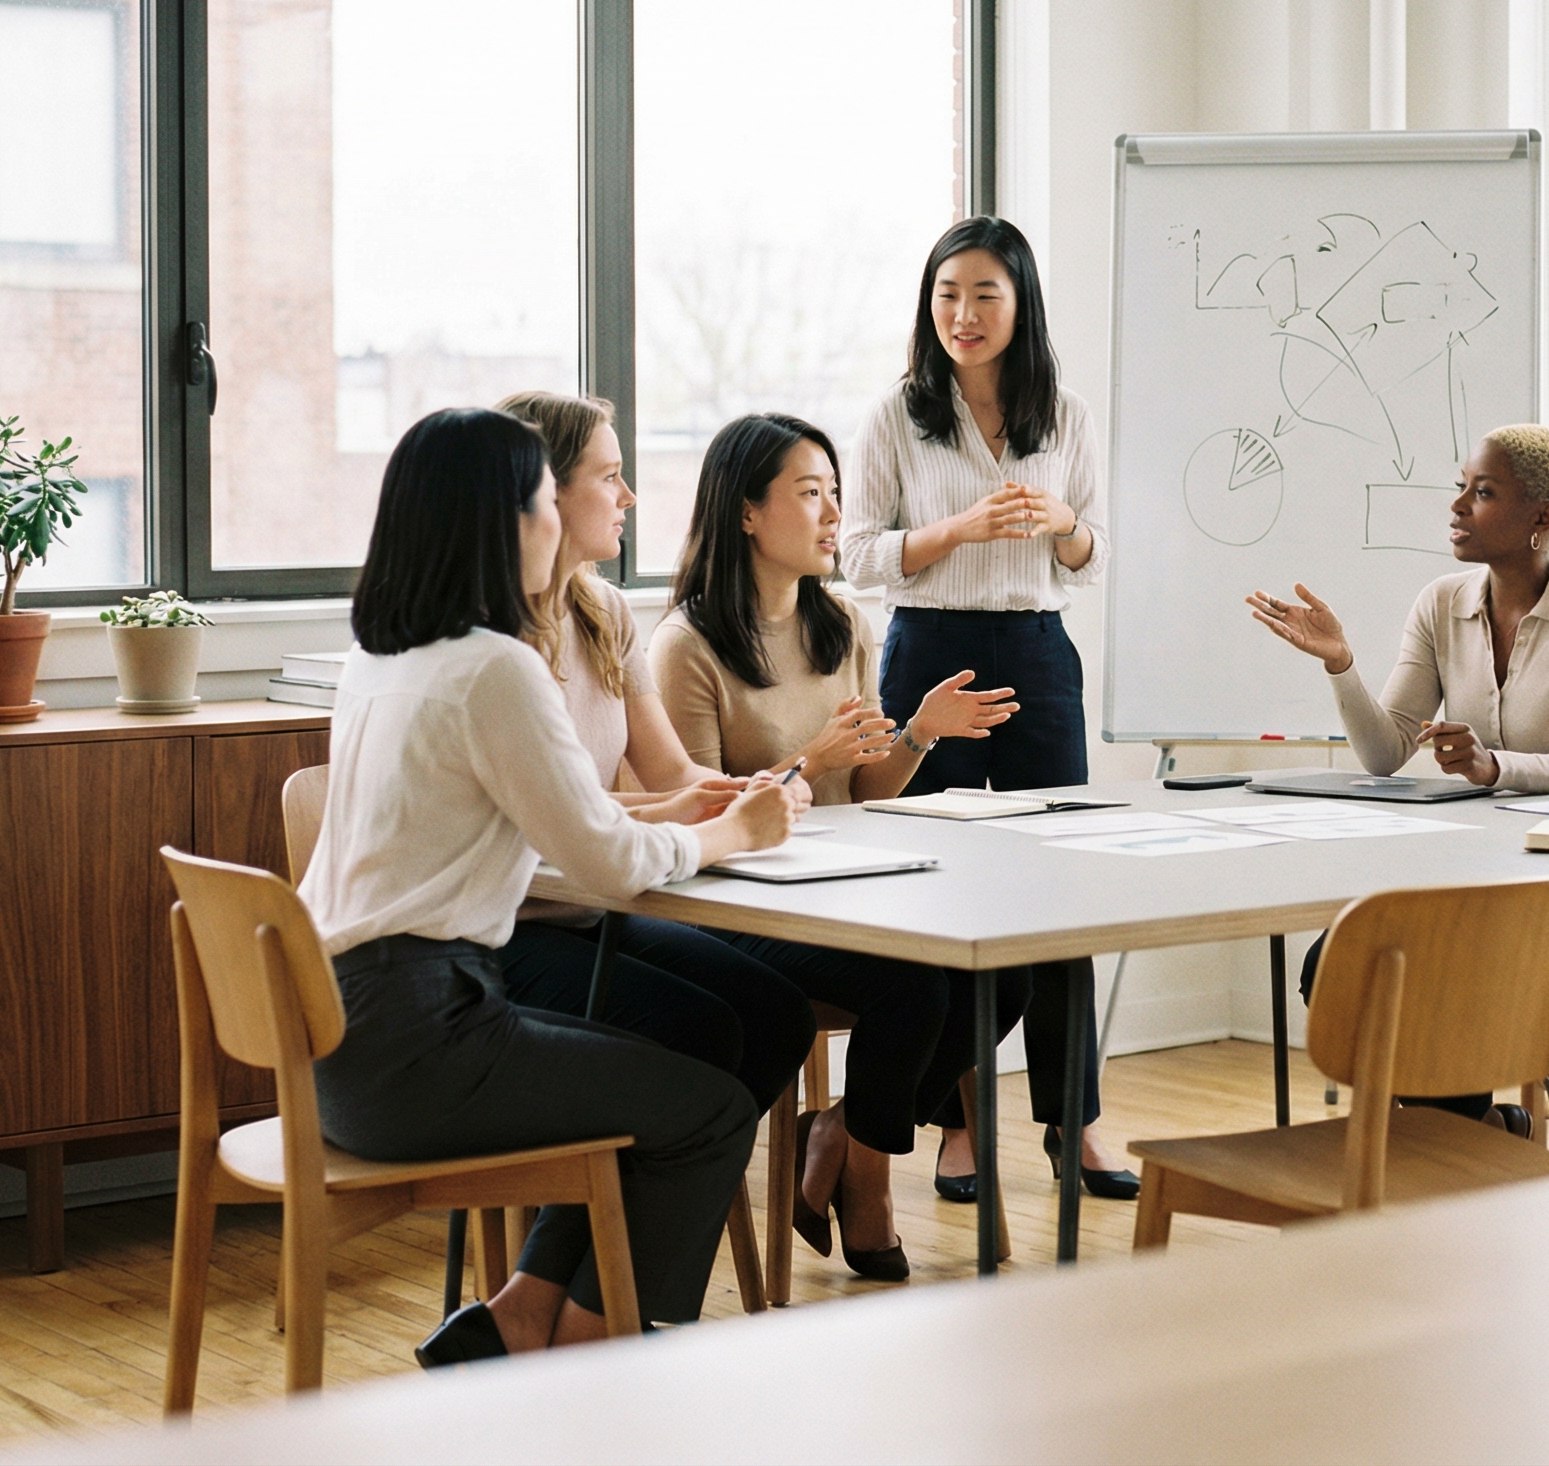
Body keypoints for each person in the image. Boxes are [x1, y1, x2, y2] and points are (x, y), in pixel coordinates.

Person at [297, 407, 795, 1365]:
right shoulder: (497, 667)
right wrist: (730, 829)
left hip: (343, 1047)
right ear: (501, 522)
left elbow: (569, 829)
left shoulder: (380, 659)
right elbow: (606, 864)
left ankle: (530, 1318)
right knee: (706, 1114)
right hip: (423, 1040)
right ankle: (590, 1363)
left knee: (672, 1069)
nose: (552, 524)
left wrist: (675, 819)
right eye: (539, 503)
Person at [652, 410, 1030, 1278]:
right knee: (914, 991)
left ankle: (842, 1132)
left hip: (845, 883)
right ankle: (866, 1179)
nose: (833, 516)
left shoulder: (843, 626)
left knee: (1003, 967)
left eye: (836, 494)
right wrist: (803, 763)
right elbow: (696, 813)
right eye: (810, 494)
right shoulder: (687, 646)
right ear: (746, 512)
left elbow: (860, 792)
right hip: (735, 908)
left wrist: (920, 737)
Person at [837, 214, 1137, 1201]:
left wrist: (1067, 529)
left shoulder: (1067, 413)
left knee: (1063, 891)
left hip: (1041, 653)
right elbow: (858, 556)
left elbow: (1094, 554)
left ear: (1021, 303)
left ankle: (1076, 1120)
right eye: (947, 295)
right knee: (951, 891)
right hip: (933, 650)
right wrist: (959, 528)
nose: (962, 314)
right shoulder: (897, 414)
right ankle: (960, 1121)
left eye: (984, 295)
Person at [1249, 423, 1549, 1126]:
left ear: (1543, 518)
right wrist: (1341, 664)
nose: (1457, 505)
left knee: (1448, 973)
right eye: (1461, 487)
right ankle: (1464, 1134)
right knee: (1335, 964)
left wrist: (1496, 767)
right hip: (1465, 869)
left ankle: (1456, 1137)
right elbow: (1385, 751)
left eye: (1483, 492)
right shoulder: (1441, 602)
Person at [490, 391, 819, 1129]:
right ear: (543, 489)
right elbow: (560, 825)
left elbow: (673, 774)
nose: (628, 497)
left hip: (594, 907)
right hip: (510, 925)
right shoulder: (493, 652)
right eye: (609, 477)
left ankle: (651, 1204)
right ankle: (604, 1222)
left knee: (776, 1013)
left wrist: (749, 792)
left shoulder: (603, 611)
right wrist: (721, 823)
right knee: (705, 1030)